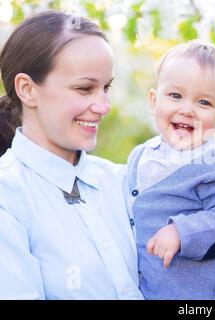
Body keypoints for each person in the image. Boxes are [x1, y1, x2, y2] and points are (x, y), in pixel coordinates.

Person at [0, 10, 142, 299]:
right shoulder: (8, 196)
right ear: (27, 90)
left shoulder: (123, 181)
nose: (104, 106)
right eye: (85, 88)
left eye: (106, 88)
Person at [126, 41, 215, 300]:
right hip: (149, 289)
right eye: (175, 96)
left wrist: (182, 231)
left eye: (204, 102)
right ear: (154, 100)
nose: (187, 109)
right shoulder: (141, 155)